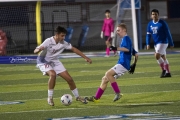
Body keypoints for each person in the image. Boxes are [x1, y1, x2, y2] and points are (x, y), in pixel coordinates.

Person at [34, 26, 92, 106]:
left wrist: (86, 58)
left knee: (70, 79)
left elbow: (74, 49)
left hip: (54, 61)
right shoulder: (48, 41)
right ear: (57, 34)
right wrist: (38, 50)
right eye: (62, 35)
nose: (64, 37)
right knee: (53, 74)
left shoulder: (63, 43)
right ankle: (50, 98)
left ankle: (77, 97)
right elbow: (36, 49)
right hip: (43, 61)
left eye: (64, 35)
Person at [86, 23, 138, 102]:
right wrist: (134, 64)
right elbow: (136, 54)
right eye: (117, 31)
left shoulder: (126, 38)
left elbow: (126, 49)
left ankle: (118, 93)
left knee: (108, 74)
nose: (117, 32)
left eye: (118, 30)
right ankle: (96, 98)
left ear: (124, 30)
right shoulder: (126, 40)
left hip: (123, 64)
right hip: (123, 64)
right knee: (104, 79)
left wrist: (115, 48)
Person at [146, 9, 174, 78]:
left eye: (155, 14)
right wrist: (148, 43)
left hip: (163, 42)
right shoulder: (150, 24)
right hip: (156, 43)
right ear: (151, 15)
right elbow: (148, 35)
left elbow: (168, 33)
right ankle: (168, 73)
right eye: (153, 14)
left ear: (158, 15)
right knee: (163, 57)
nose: (154, 15)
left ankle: (163, 70)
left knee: (157, 55)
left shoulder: (162, 23)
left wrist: (171, 43)